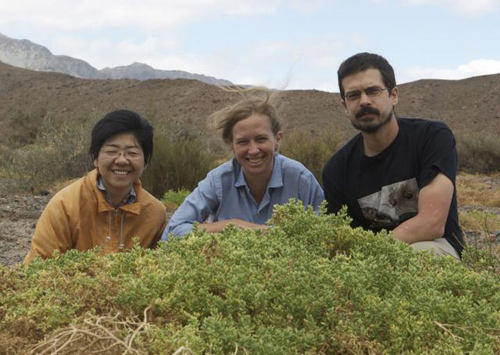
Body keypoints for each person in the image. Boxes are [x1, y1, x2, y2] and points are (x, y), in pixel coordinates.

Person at [322, 52, 464, 259]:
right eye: (353, 95)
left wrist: (372, 254)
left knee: (423, 254)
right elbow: (343, 242)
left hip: (434, 248)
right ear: (345, 106)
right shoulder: (336, 170)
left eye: (373, 91)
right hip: (372, 263)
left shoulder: (431, 138)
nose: (364, 101)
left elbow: (432, 223)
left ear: (394, 95)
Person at [163, 92, 324, 238]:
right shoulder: (218, 181)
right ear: (232, 146)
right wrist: (231, 225)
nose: (253, 150)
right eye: (243, 142)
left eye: (261, 139)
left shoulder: (300, 179)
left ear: (278, 139)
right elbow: (172, 231)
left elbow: (327, 232)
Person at [25, 110, 167, 265]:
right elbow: (37, 267)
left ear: (145, 162)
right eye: (112, 151)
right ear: (96, 158)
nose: (121, 160)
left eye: (132, 153)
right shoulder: (65, 205)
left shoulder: (155, 213)